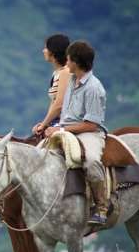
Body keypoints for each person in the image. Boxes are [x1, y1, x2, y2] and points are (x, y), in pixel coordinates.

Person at [44, 41, 108, 225]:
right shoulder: (72, 80)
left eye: (69, 59)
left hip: (89, 132)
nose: (66, 61)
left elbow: (91, 125)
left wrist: (60, 129)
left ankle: (102, 207)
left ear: (76, 62)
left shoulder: (94, 88)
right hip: (66, 129)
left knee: (91, 160)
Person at [32, 34, 71, 135]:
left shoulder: (66, 72)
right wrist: (45, 124)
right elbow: (54, 102)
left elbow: (59, 104)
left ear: (53, 52)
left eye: (45, 48)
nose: (43, 51)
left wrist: (44, 125)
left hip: (66, 122)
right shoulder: (57, 73)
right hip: (56, 121)